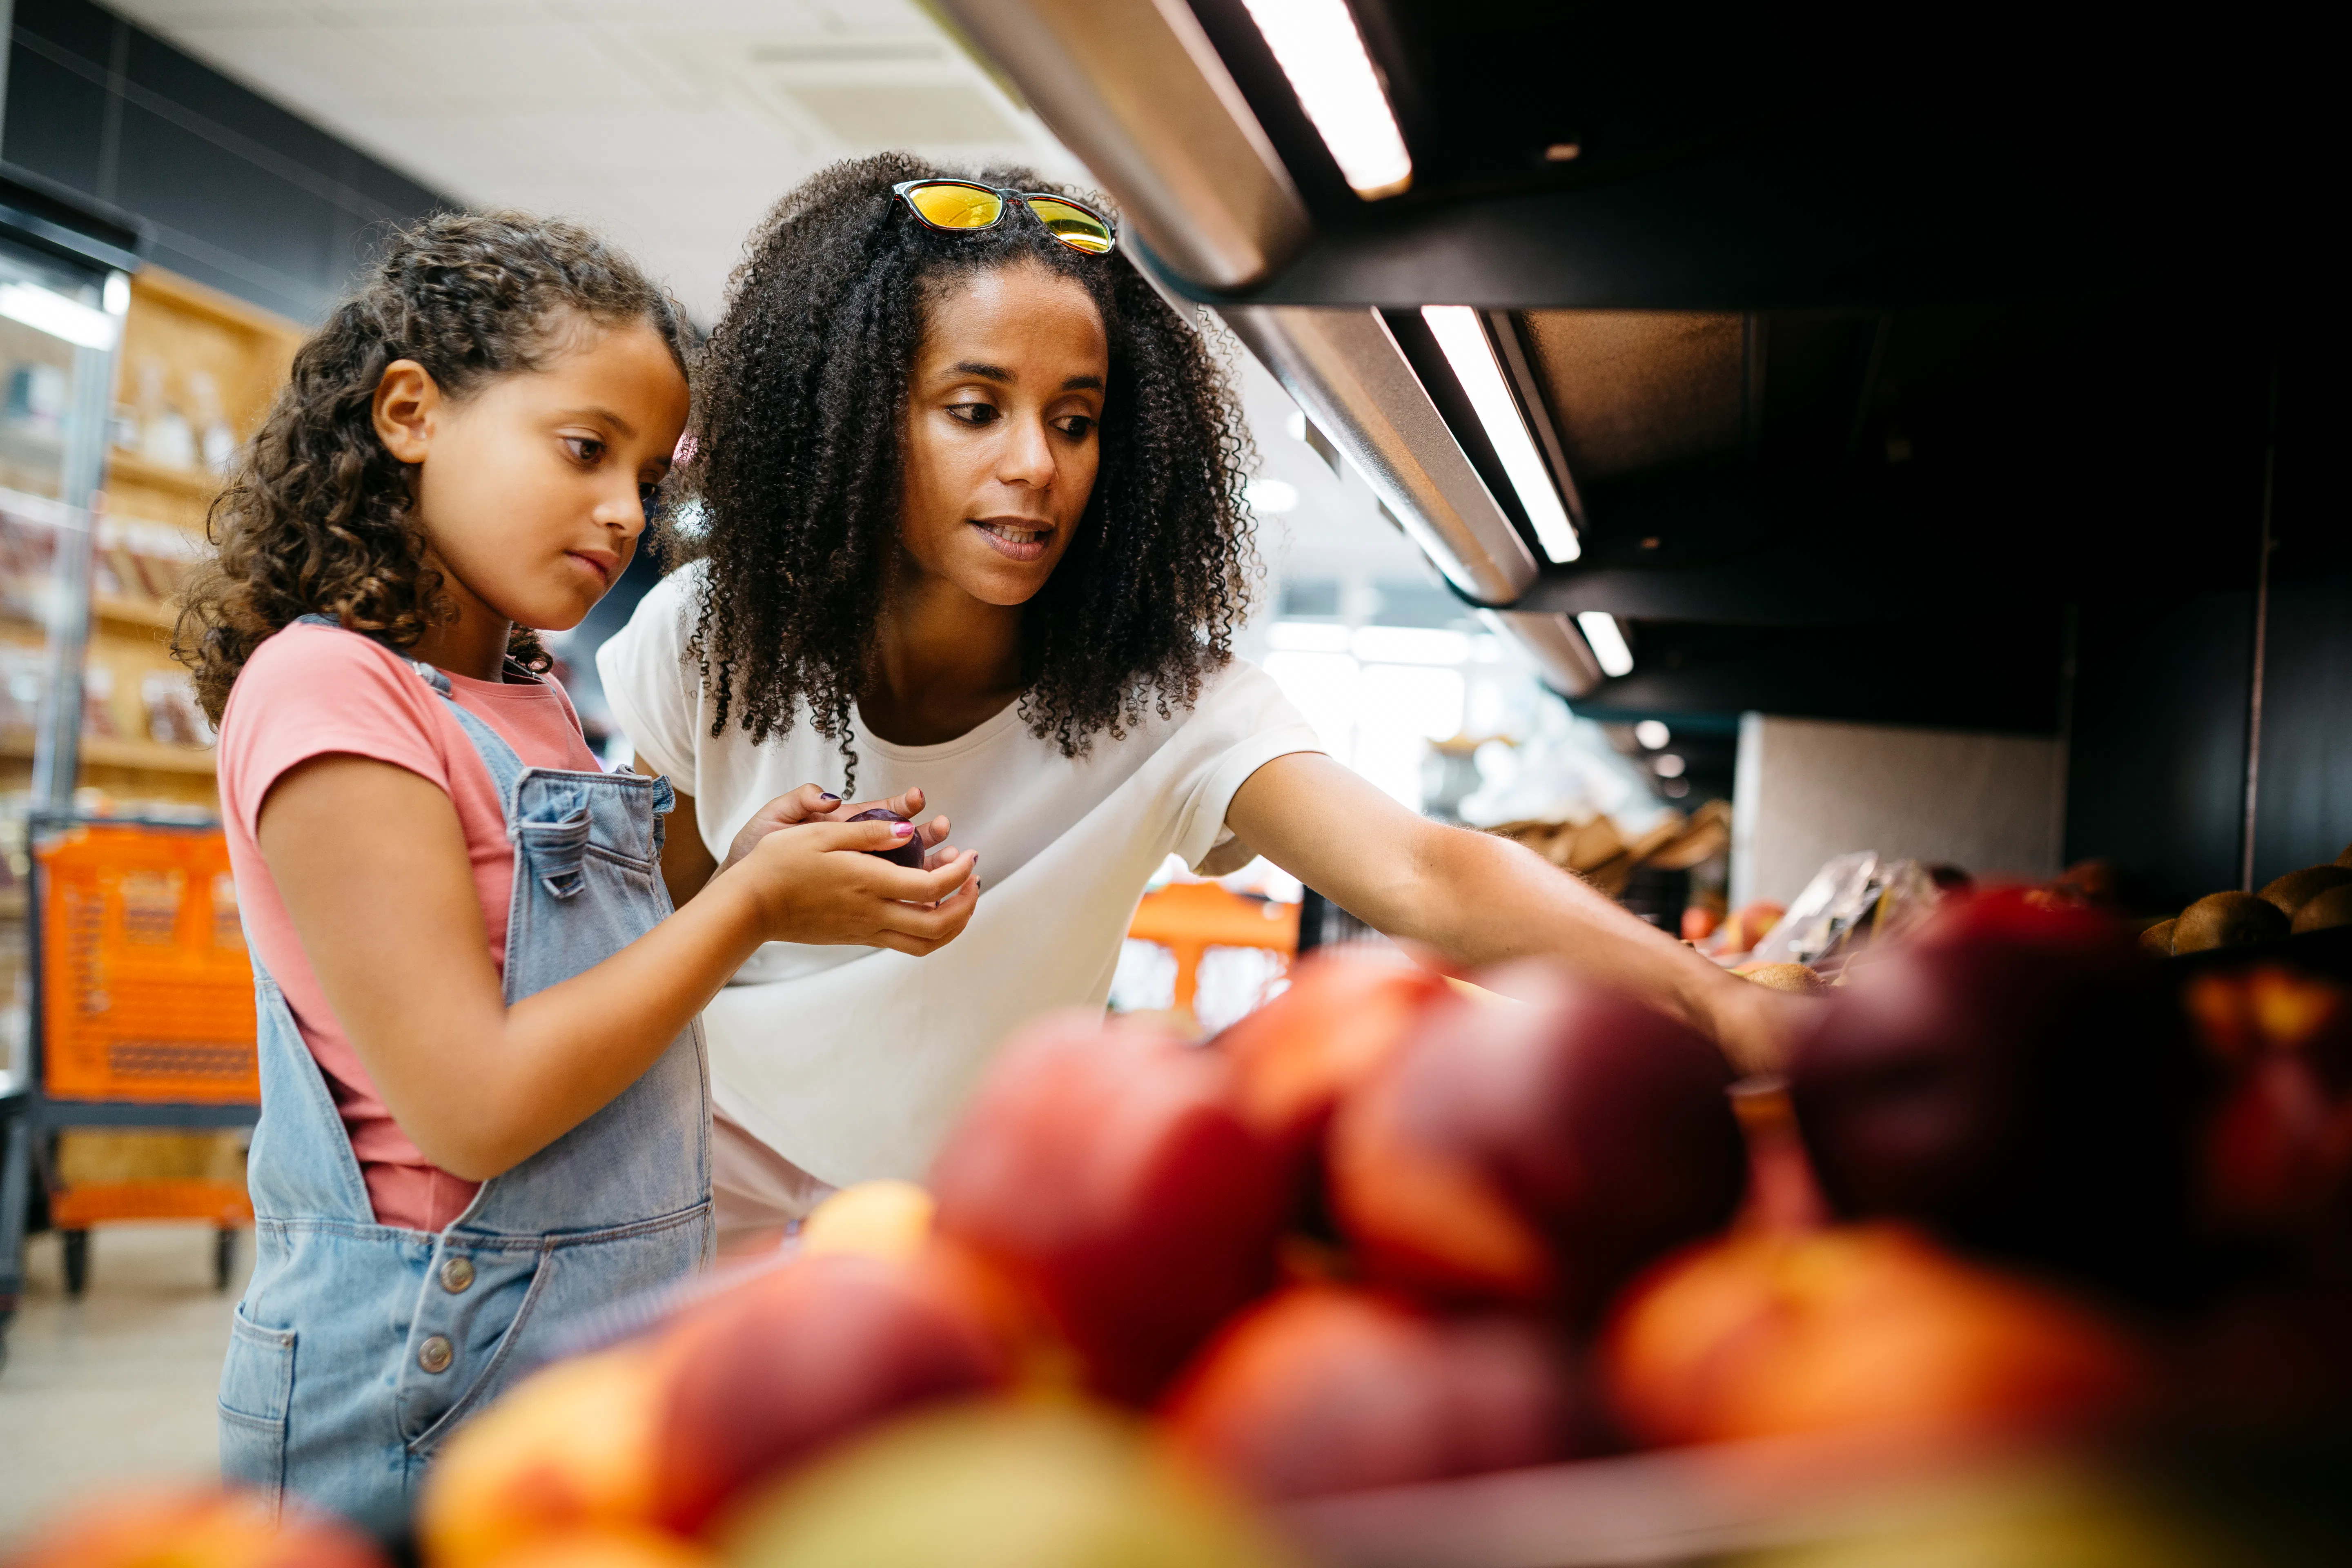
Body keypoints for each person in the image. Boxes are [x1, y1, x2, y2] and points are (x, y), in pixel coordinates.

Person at [598, 156, 1793, 1253]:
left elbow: (1427, 873)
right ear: (852, 422)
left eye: (1077, 420)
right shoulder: (709, 640)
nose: (1037, 466)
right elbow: (635, 958)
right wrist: (758, 899)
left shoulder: (1164, 701)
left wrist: (1718, 1003)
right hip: (683, 1196)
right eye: (976, 410)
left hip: (962, 1237)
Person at [176, 212, 978, 1531]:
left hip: (571, 1350)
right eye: (583, 450)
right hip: (421, 1376)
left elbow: (577, 986)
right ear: (411, 412)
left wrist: (747, 857)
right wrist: (743, 911)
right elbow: (472, 1106)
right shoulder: (329, 690)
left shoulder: (521, 690)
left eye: (651, 480)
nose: (625, 514)